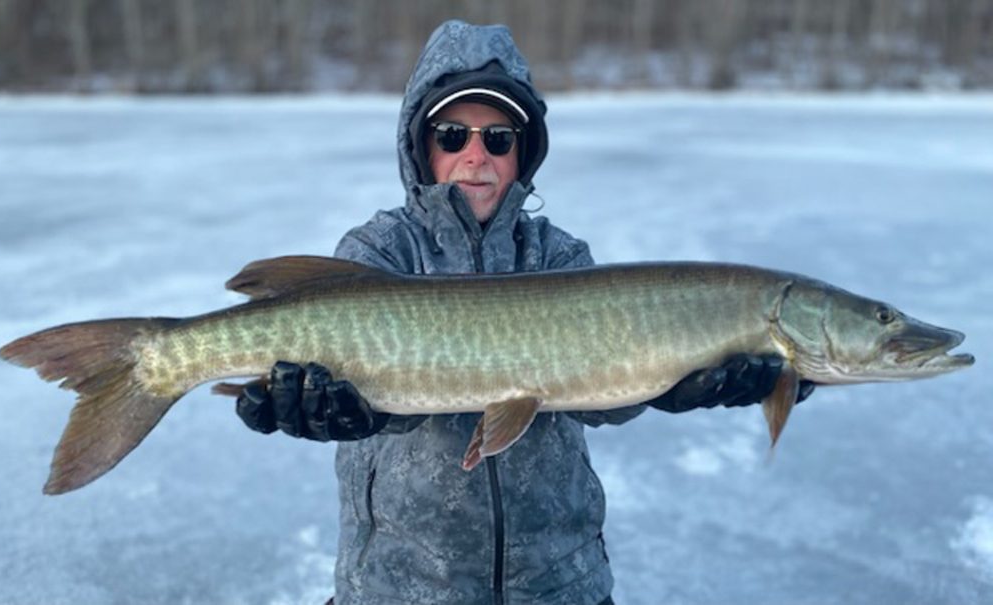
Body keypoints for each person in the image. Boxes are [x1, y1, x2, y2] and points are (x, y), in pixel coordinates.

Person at [235, 20, 812, 605]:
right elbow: (384, 402)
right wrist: (353, 412)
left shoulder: (559, 256)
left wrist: (669, 386)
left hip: (560, 584)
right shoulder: (382, 250)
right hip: (400, 587)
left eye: (499, 138)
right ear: (422, 146)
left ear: (523, 151)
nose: (476, 157)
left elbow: (600, 402)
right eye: (453, 135)